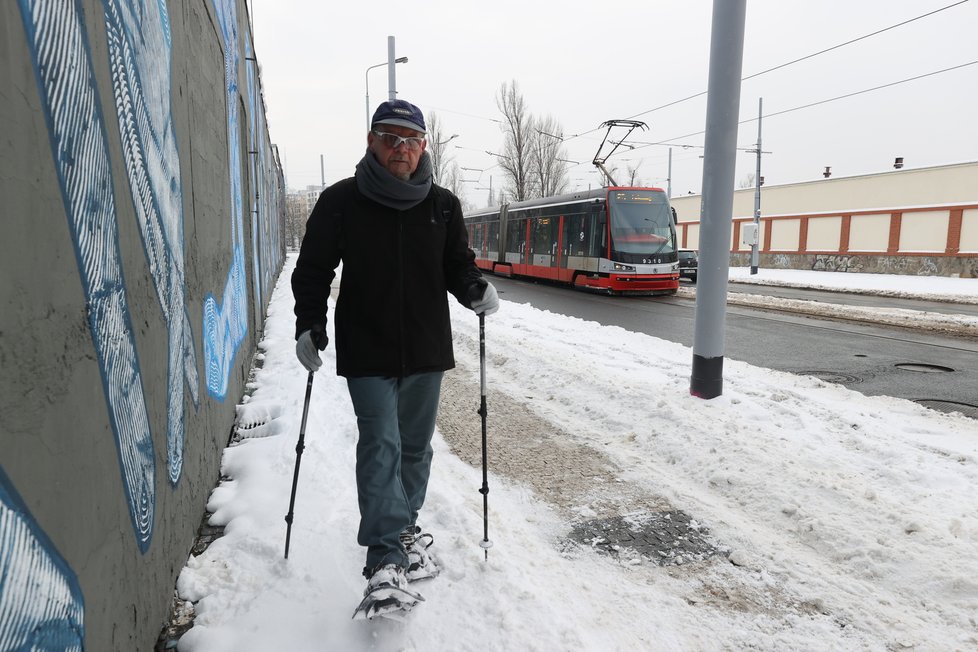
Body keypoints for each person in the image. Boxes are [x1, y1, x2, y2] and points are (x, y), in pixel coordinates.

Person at [291, 99, 499, 599]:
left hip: (426, 347)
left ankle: (405, 527)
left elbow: (456, 264)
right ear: (371, 141)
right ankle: (385, 557)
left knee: (415, 449)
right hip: (367, 346)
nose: (400, 148)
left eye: (411, 139)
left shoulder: (443, 205)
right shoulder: (341, 201)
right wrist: (308, 324)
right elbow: (315, 268)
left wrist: (473, 287)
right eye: (390, 138)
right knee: (380, 444)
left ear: (424, 146)